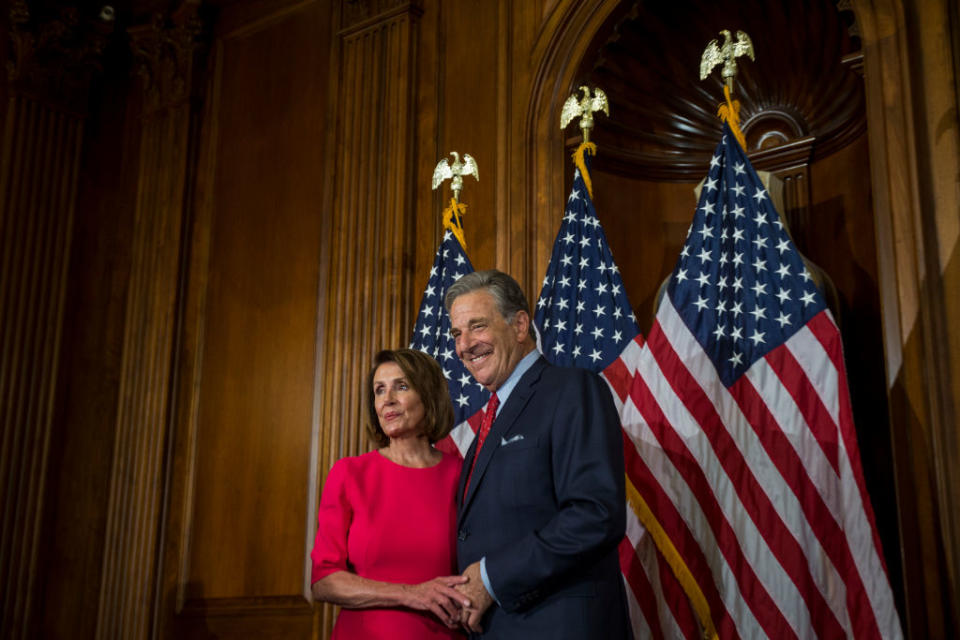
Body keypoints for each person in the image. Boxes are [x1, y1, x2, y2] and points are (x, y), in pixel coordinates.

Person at [445, 270, 632, 638]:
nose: (465, 344)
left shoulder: (572, 390)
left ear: (519, 325)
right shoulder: (490, 418)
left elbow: (594, 515)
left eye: (477, 326)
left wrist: (490, 577)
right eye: (456, 333)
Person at [310, 349, 471, 639]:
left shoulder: (462, 475)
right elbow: (324, 581)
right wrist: (410, 594)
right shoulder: (350, 474)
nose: (388, 400)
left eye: (402, 386)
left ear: (429, 395)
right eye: (379, 390)